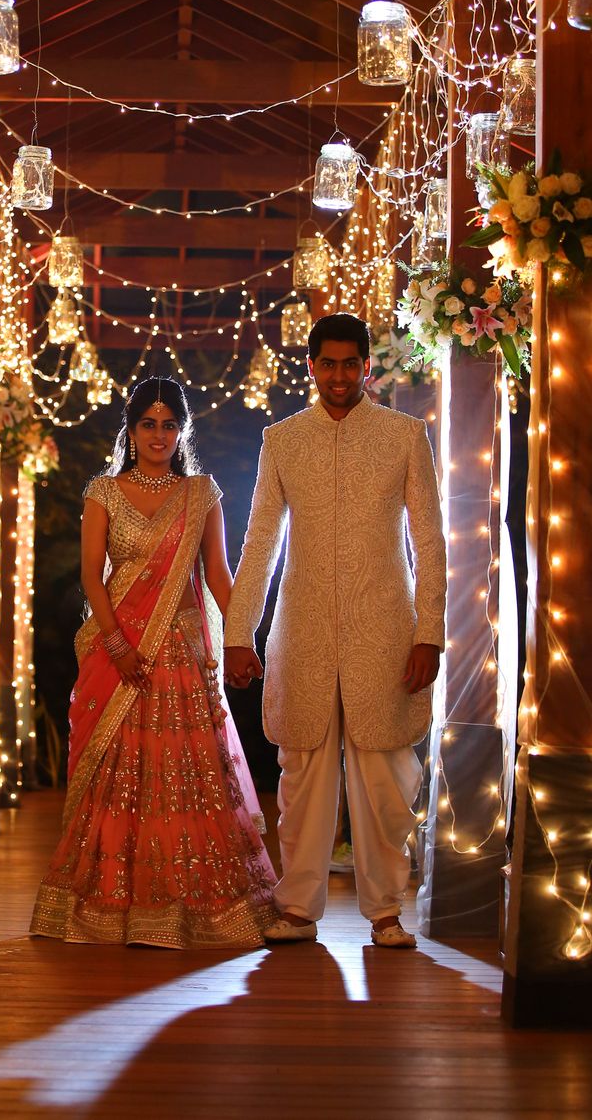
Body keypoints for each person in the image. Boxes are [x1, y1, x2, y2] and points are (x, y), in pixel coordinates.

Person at [224, 313, 447, 949]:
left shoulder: (405, 436)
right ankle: (297, 908)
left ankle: (385, 913)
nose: (340, 375)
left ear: (366, 367)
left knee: (386, 780)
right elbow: (261, 538)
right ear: (313, 365)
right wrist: (241, 630)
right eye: (329, 363)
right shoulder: (284, 439)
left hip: (387, 626)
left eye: (351, 364)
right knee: (302, 775)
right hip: (303, 627)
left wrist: (428, 631)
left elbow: (428, 542)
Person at [31, 377, 278, 948]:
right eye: (149, 424)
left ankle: (195, 903)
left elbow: (217, 575)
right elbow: (93, 575)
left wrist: (242, 636)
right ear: (132, 428)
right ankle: (107, 901)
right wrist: (116, 645)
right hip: (120, 648)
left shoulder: (201, 495)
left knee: (187, 777)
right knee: (119, 771)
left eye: (169, 424)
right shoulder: (104, 491)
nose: (159, 435)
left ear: (182, 429)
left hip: (182, 652)